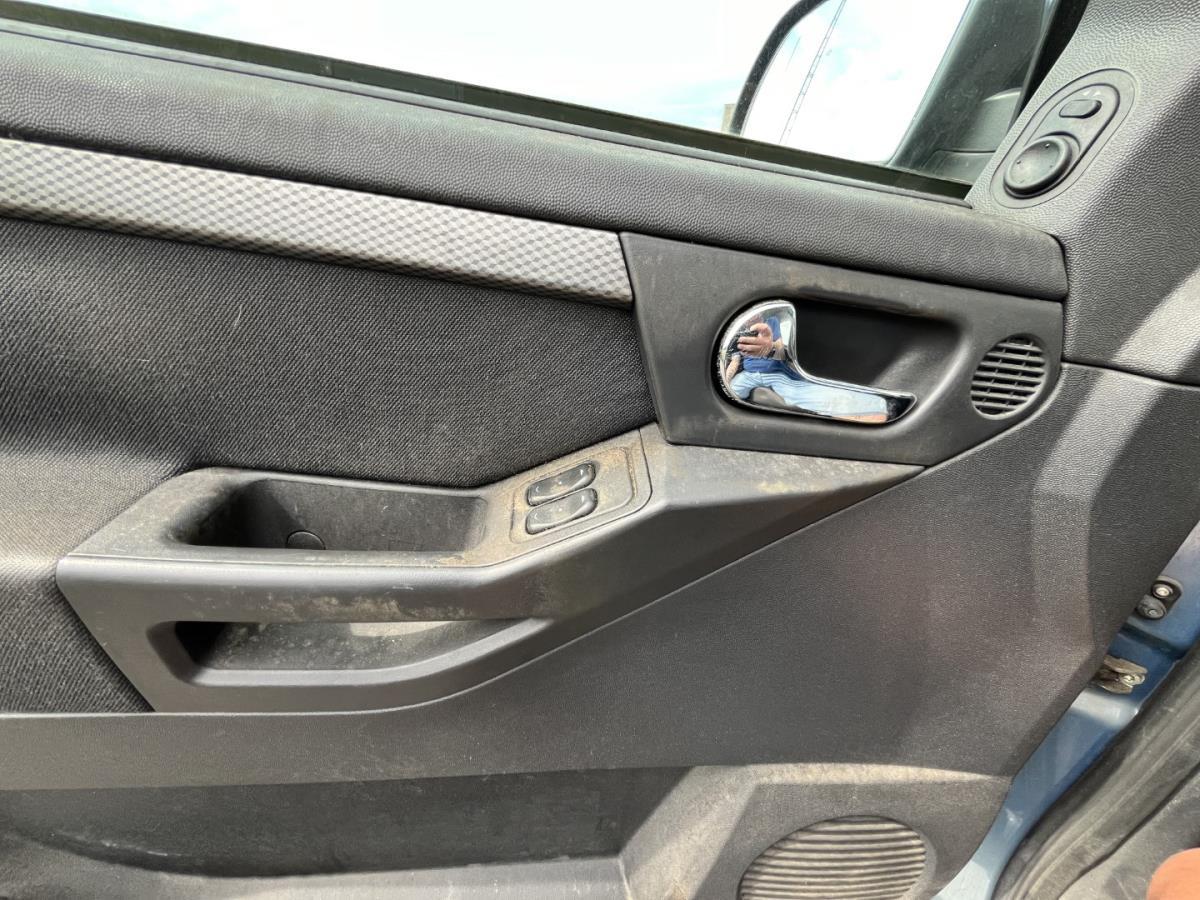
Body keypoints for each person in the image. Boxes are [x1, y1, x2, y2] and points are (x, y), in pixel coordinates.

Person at [724, 314, 888, 423]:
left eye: (756, 314)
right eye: (750, 317)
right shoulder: (739, 333)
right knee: (730, 393)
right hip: (748, 375)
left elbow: (782, 348)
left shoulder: (773, 320)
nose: (754, 317)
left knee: (795, 393)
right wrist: (724, 382)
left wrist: (770, 349)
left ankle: (869, 406)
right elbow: (734, 362)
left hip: (776, 373)